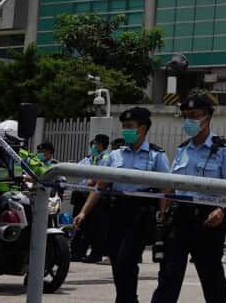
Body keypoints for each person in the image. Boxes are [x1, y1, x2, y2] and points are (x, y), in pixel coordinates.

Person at [75, 107, 171, 303]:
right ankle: (126, 298)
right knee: (116, 260)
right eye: (124, 126)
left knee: (127, 259)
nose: (126, 130)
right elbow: (100, 186)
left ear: (142, 128)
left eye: (130, 126)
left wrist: (163, 214)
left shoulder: (156, 155)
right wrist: (84, 212)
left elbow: (166, 189)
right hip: (115, 212)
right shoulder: (115, 155)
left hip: (140, 214)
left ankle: (127, 299)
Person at [151, 94, 226, 303]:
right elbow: (171, 187)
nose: (189, 120)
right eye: (186, 116)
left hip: (209, 218)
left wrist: (221, 209)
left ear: (207, 118)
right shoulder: (182, 150)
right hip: (180, 217)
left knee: (212, 278)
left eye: (194, 115)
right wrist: (163, 214)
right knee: (168, 276)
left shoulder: (223, 148)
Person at [71, 134, 112, 263]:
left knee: (96, 228)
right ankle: (78, 252)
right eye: (93, 144)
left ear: (102, 145)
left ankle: (95, 254)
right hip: (83, 195)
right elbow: (77, 170)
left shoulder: (107, 158)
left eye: (96, 144)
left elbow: (100, 177)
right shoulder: (89, 158)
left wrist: (92, 180)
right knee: (81, 226)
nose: (94, 146)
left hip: (97, 197)